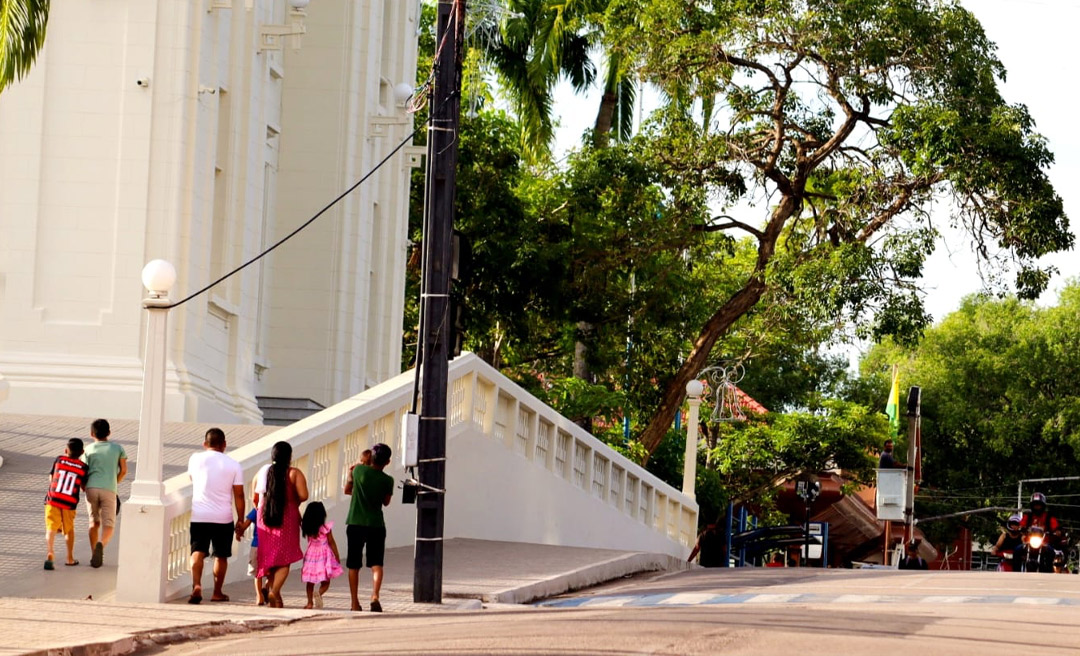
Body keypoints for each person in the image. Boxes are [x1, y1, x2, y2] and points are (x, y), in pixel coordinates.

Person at [186, 427, 245, 604]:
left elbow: (192, 479)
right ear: (224, 445)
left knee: (197, 551)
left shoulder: (195, 459)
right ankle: (217, 592)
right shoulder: (234, 464)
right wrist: (241, 520)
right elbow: (239, 495)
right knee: (221, 555)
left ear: (205, 444)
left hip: (200, 515)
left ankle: (196, 585)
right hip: (223, 517)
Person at [255, 441, 309, 608]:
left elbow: (255, 498)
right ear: (289, 456)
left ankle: (276, 597)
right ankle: (274, 590)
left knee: (271, 558)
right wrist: (292, 501)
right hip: (286, 517)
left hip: (265, 517)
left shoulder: (263, 472)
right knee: (284, 560)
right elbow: (304, 495)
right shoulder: (293, 473)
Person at [345, 442, 394, 612]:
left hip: (355, 522)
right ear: (387, 462)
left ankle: (354, 603)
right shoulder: (388, 480)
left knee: (353, 565)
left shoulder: (359, 471)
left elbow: (351, 477)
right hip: (376, 524)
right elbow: (386, 502)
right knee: (376, 564)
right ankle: (374, 595)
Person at [81, 419, 127, 568]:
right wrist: (115, 481)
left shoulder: (88, 450)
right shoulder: (117, 449)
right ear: (109, 433)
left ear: (91, 433)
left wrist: (84, 486)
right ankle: (101, 544)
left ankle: (94, 552)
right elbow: (124, 470)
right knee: (109, 524)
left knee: (93, 522)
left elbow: (82, 470)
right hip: (109, 488)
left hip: (91, 488)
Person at [44, 438, 90, 569]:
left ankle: (50, 551)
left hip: (53, 499)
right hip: (69, 502)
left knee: (51, 527)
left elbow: (51, 478)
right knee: (68, 530)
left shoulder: (59, 459)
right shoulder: (83, 467)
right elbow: (83, 487)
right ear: (82, 452)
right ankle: (69, 558)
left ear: (65, 450)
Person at [300, 501, 343, 609]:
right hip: (323, 557)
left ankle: (309, 603)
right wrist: (337, 555)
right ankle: (319, 593)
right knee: (326, 581)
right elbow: (331, 542)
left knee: (310, 581)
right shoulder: (325, 529)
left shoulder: (308, 529)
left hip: (311, 556)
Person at [234, 507, 269, 605]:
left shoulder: (257, 510)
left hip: (256, 545)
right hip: (271, 545)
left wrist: (239, 532)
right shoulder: (276, 509)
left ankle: (259, 596)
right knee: (271, 571)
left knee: (257, 573)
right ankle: (266, 586)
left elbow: (245, 525)